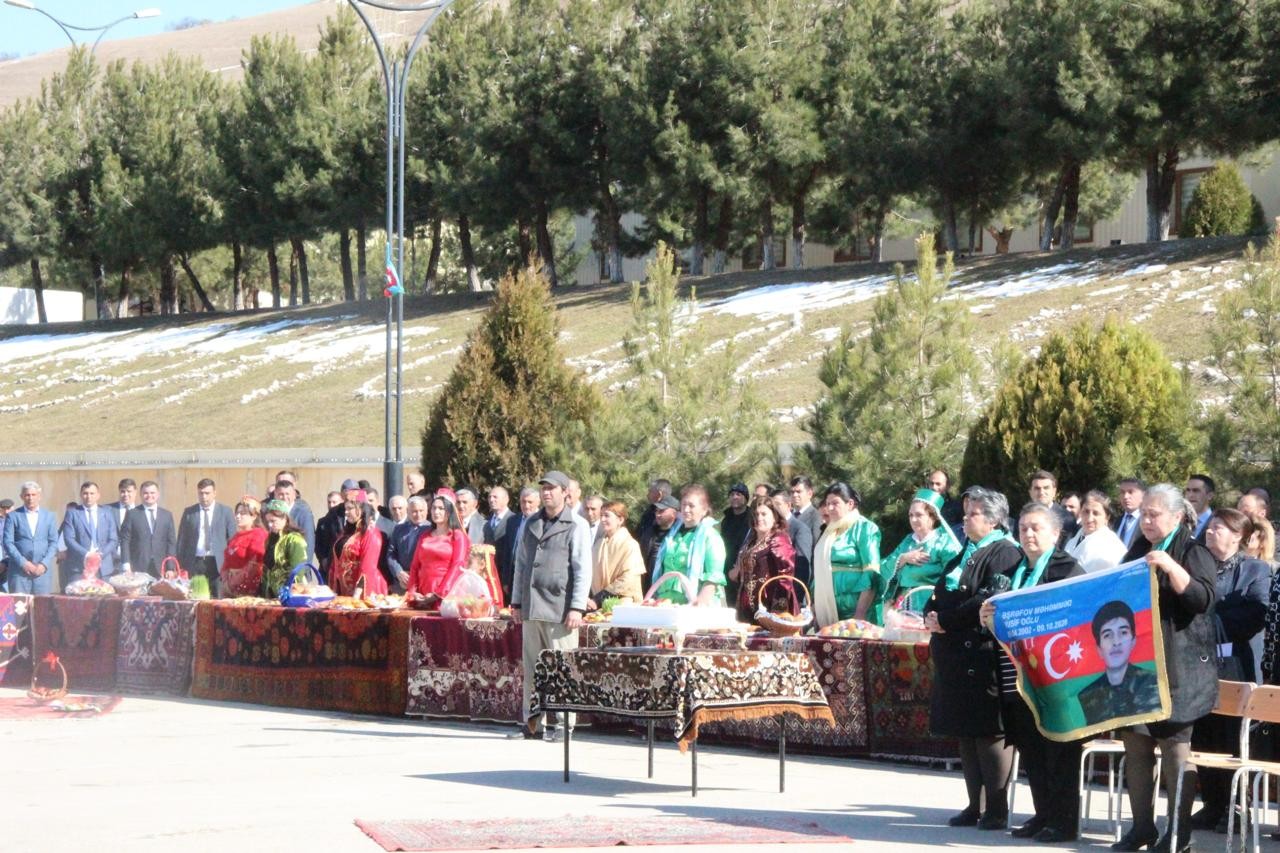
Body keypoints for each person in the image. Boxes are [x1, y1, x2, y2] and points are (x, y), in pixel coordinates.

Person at [1112, 483, 1217, 853]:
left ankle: (1178, 834)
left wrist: (1172, 566)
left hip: (1180, 672)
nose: (1147, 521)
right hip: (1139, 670)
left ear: (1176, 516)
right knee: (1136, 745)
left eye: (1154, 514)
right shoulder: (1137, 550)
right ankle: (1141, 827)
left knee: (1175, 751)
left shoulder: (1193, 549)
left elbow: (1202, 599)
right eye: (1143, 514)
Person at [983, 502, 1085, 844]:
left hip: (1057, 679)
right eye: (1023, 527)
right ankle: (1044, 815)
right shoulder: (1015, 568)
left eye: (1036, 527)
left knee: (1058, 751)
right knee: (1031, 748)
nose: (1028, 533)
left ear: (1055, 534)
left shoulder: (1067, 568)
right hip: (1019, 675)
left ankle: (1064, 821)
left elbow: (1073, 614)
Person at [924, 487, 1020, 832]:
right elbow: (938, 591)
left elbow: (988, 597)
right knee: (965, 732)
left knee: (987, 732)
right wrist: (929, 614)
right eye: (965, 514)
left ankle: (996, 808)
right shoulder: (966, 551)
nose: (965, 519)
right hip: (953, 654)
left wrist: (945, 621)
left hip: (981, 654)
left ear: (994, 519)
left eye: (974, 514)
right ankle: (973, 805)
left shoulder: (1005, 552)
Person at [1188, 508, 1269, 834]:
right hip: (1197, 662)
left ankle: (1237, 808)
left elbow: (1256, 610)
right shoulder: (1197, 564)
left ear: (1238, 536)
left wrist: (1210, 623)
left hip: (1235, 665)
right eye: (1210, 527)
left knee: (1232, 738)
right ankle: (1212, 804)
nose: (1211, 533)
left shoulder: (1254, 569)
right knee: (1204, 734)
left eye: (1219, 528)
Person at [510, 471, 591, 741]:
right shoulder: (531, 523)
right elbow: (521, 564)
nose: (546, 493)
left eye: (551, 489)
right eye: (543, 488)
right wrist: (517, 601)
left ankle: (564, 726)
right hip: (533, 607)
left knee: (562, 668)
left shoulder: (576, 524)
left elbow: (582, 569)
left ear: (565, 493)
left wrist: (577, 607)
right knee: (533, 669)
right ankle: (533, 723)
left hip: (560, 609)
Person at [879, 489, 962, 618]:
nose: (913, 519)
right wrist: (904, 558)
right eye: (910, 515)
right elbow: (884, 568)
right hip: (904, 605)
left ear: (933, 517)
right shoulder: (908, 542)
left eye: (919, 515)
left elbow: (955, 576)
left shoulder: (944, 542)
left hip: (932, 605)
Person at [1076, 601, 1161, 725]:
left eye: (1123, 633)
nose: (1116, 642)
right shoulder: (1088, 695)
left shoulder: (1151, 682)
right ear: (1099, 649)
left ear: (1133, 641)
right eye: (1107, 635)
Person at [812, 483, 882, 625]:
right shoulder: (829, 531)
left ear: (850, 504)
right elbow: (820, 571)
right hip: (828, 609)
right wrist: (813, 607)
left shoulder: (865, 528)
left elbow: (871, 573)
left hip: (856, 611)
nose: (829, 508)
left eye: (835, 503)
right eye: (827, 504)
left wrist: (859, 614)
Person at [651, 485, 727, 605]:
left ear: (704, 510)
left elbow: (714, 577)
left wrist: (698, 606)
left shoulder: (711, 536)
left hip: (695, 606)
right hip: (665, 604)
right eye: (683, 505)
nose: (686, 510)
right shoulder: (672, 535)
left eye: (691, 506)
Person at [728, 496, 795, 623]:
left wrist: (777, 613)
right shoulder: (750, 541)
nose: (759, 518)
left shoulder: (778, 539)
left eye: (764, 514)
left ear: (774, 516)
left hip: (769, 610)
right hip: (746, 609)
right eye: (756, 514)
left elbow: (785, 577)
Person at [406, 494, 470, 599]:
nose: (436, 512)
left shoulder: (457, 536)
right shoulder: (424, 536)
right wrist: (412, 592)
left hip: (447, 593)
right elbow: (415, 566)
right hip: (422, 592)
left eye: (441, 508)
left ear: (449, 512)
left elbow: (458, 565)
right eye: (434, 508)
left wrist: (439, 593)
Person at [176, 478, 236, 589]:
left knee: (218, 600)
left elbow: (232, 540)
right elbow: (182, 540)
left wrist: (231, 564)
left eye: (207, 493)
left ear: (214, 493)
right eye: (201, 493)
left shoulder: (225, 512)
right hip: (195, 563)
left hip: (217, 563)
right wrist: (181, 565)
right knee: (197, 598)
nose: (204, 497)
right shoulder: (189, 512)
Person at [3, 481, 59, 595]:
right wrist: (24, 563)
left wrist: (44, 564)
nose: (30, 498)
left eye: (33, 495)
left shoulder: (49, 516)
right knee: (20, 610)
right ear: (22, 496)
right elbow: (8, 542)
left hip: (42, 573)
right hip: (19, 572)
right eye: (27, 495)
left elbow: (53, 542)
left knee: (42, 609)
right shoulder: (13, 516)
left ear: (39, 496)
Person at [329, 491, 388, 597]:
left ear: (361, 509)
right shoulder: (346, 533)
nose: (346, 512)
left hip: (366, 591)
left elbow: (368, 565)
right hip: (345, 592)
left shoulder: (370, 532)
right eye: (345, 509)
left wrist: (356, 596)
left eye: (350, 508)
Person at [61, 481, 119, 584]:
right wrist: (87, 554)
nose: (89, 497)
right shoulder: (72, 513)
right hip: (79, 567)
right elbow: (69, 539)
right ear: (81, 495)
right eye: (85, 493)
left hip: (104, 567)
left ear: (98, 495)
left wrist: (100, 555)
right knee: (78, 598)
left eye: (92, 493)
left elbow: (113, 539)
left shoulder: (107, 513)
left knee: (104, 598)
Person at [589, 500, 644, 605]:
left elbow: (629, 578)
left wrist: (601, 597)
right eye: (601, 515)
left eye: (607, 516)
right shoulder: (598, 544)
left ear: (620, 519)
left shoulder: (630, 544)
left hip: (623, 603)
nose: (603, 519)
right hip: (597, 602)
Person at [120, 481, 177, 576]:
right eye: (145, 493)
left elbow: (171, 542)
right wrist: (126, 565)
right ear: (141, 495)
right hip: (137, 566)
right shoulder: (132, 514)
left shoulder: (166, 515)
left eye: (152, 493)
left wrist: (170, 567)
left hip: (161, 567)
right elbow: (125, 540)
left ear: (158, 494)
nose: (149, 495)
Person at [1064, 490, 1129, 573]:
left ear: (1107, 517)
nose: (1089, 518)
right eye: (1086, 512)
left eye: (1096, 513)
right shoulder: (1073, 540)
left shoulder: (1113, 546)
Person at [221, 498, 269, 597]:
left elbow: (254, 565)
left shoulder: (258, 535)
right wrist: (225, 579)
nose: (238, 516)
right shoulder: (236, 537)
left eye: (243, 513)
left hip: (247, 589)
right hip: (229, 587)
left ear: (254, 516)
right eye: (237, 513)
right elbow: (227, 560)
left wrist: (235, 582)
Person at [261, 500, 309, 597]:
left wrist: (289, 593)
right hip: (271, 594)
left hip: (290, 594)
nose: (270, 525)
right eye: (268, 521)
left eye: (273, 521)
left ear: (285, 519)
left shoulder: (294, 540)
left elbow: (297, 571)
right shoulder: (270, 540)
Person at [387, 496, 430, 593]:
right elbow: (391, 554)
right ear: (408, 512)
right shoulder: (399, 529)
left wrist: (415, 576)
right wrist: (398, 572)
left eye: (421, 511)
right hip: (402, 583)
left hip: (423, 583)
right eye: (414, 511)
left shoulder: (432, 529)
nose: (418, 514)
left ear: (427, 511)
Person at [316, 478, 358, 572]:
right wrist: (324, 559)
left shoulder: (362, 512)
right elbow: (323, 539)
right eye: (347, 495)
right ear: (342, 495)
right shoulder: (334, 513)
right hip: (335, 564)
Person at [484, 486, 518, 600]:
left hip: (506, 578)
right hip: (489, 575)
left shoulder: (514, 520)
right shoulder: (487, 522)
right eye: (490, 497)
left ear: (506, 499)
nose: (491, 500)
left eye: (495, 497)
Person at [639, 494, 680, 586]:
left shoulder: (680, 535)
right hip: (648, 587)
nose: (657, 514)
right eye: (656, 511)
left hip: (670, 587)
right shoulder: (648, 533)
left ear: (674, 513)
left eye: (662, 511)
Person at [1028, 470, 1077, 545]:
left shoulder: (1067, 519)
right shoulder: (1023, 517)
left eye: (1046, 488)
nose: (1041, 492)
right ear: (1030, 492)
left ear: (1054, 491)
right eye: (1037, 488)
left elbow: (1067, 549)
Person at [273, 478, 316, 561]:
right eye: (281, 494)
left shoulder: (304, 513)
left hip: (297, 565)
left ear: (294, 495)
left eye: (287, 494)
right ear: (275, 494)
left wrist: (304, 567)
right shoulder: (271, 512)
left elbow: (309, 542)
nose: (284, 497)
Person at [719, 484, 752, 591]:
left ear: (746, 498)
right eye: (732, 494)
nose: (735, 497)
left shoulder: (752, 519)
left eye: (739, 494)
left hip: (745, 570)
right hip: (726, 569)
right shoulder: (726, 519)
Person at [106, 478, 138, 565]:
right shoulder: (107, 510)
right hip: (111, 560)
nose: (125, 494)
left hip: (133, 560)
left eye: (129, 491)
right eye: (122, 491)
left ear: (135, 492)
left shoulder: (141, 512)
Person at [1112, 478, 1146, 550]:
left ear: (1143, 495)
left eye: (1131, 492)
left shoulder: (1148, 522)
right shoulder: (1115, 522)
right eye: (1122, 492)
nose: (1125, 497)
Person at [1185, 474, 1215, 540]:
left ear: (1210, 495)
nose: (1190, 495)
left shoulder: (1217, 523)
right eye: (1188, 490)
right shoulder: (1179, 521)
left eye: (1196, 491)